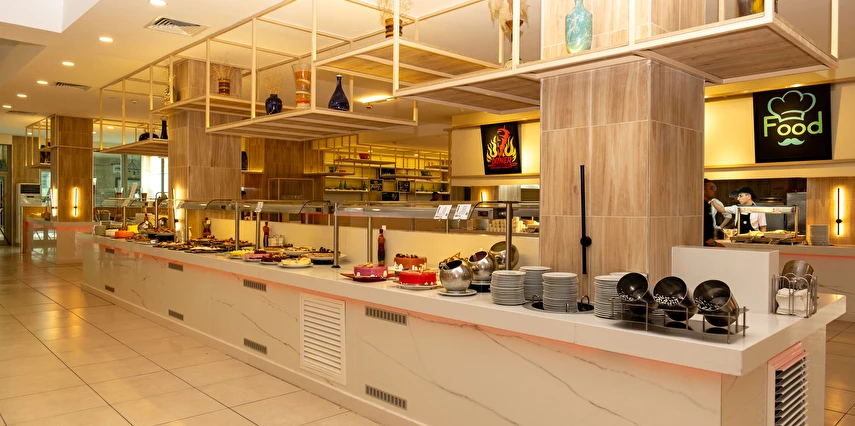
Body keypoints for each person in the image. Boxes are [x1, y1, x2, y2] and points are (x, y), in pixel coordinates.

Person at [703, 179, 722, 247]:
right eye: (711, 188)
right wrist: (715, 244)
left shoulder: (707, 205)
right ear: (704, 191)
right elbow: (705, 236)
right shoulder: (702, 207)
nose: (714, 190)